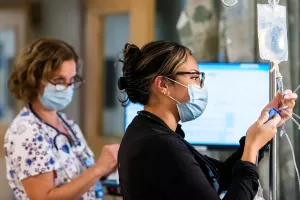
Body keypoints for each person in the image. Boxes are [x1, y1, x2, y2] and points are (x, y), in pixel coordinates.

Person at [117, 41, 297, 200]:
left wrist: (261, 129)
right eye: (194, 77)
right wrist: (251, 148)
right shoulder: (158, 145)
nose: (200, 86)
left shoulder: (149, 131)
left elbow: (219, 177)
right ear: (163, 84)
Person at [4, 38, 119, 200]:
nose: (67, 88)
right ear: (33, 80)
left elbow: (78, 178)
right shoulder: (25, 131)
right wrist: (99, 168)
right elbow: (44, 198)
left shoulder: (65, 121)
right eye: (59, 80)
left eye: (71, 80)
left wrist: (108, 169)